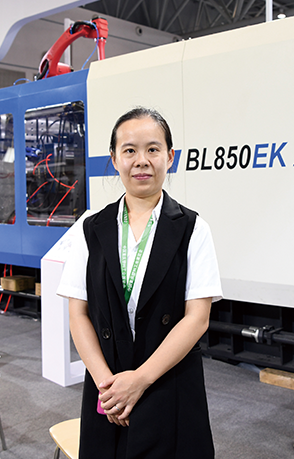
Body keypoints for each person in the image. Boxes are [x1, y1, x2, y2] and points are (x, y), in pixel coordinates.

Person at [57, 107, 223, 458]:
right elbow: (78, 314)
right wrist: (108, 386)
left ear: (170, 157)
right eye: (130, 150)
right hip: (108, 385)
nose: (141, 160)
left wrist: (140, 380)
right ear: (114, 158)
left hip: (168, 380)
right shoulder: (91, 228)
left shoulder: (193, 228)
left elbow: (197, 318)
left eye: (153, 149)